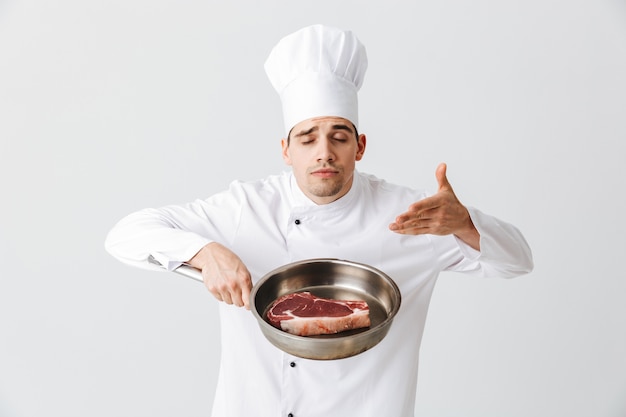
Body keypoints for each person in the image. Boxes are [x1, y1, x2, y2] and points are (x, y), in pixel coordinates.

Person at [105, 24, 533, 417]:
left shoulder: (415, 216)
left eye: (339, 136)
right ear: (286, 150)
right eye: (307, 138)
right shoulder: (245, 208)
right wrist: (202, 252)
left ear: (360, 146)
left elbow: (517, 261)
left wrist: (465, 223)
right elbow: (124, 235)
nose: (324, 152)